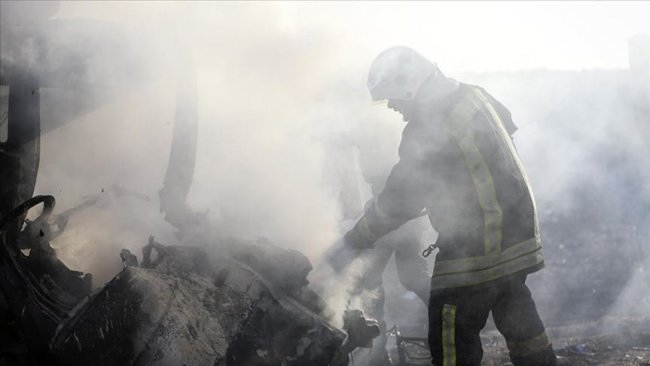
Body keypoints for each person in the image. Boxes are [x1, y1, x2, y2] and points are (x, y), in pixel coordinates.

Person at [327, 46, 557, 366]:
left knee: (450, 337)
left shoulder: (427, 126)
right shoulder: (476, 96)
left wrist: (354, 240)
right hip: (516, 237)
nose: (393, 106)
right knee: (522, 325)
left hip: (474, 250)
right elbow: (500, 140)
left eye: (394, 97)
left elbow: (400, 199)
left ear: (410, 84)